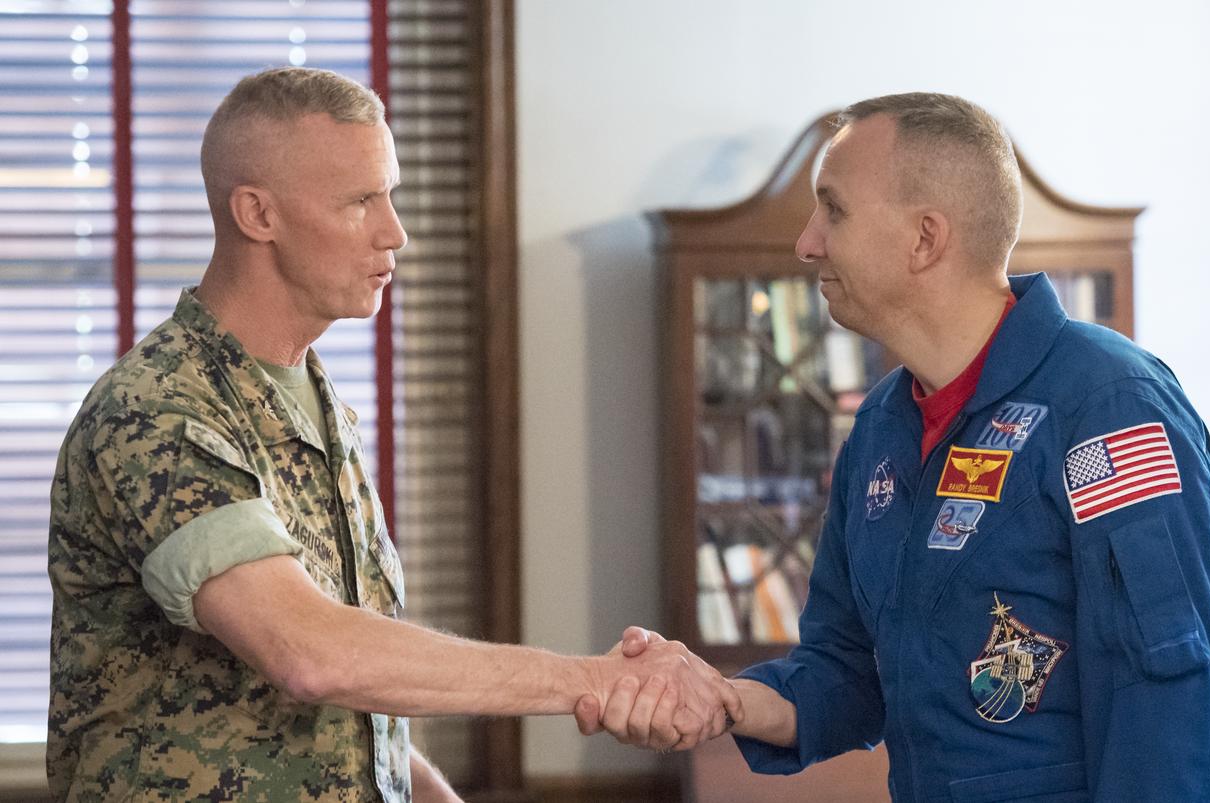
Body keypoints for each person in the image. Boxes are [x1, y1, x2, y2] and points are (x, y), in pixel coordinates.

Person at [46, 66, 741, 803]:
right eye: (360, 201)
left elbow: (350, 709)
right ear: (258, 214)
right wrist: (595, 680)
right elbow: (307, 651)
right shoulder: (156, 409)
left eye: (392, 194)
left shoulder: (319, 407)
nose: (395, 231)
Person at [575, 93, 1210, 801]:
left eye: (833, 209)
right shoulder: (881, 430)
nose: (806, 241)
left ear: (925, 237)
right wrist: (724, 699)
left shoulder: (1109, 407)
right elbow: (847, 672)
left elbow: (1169, 704)